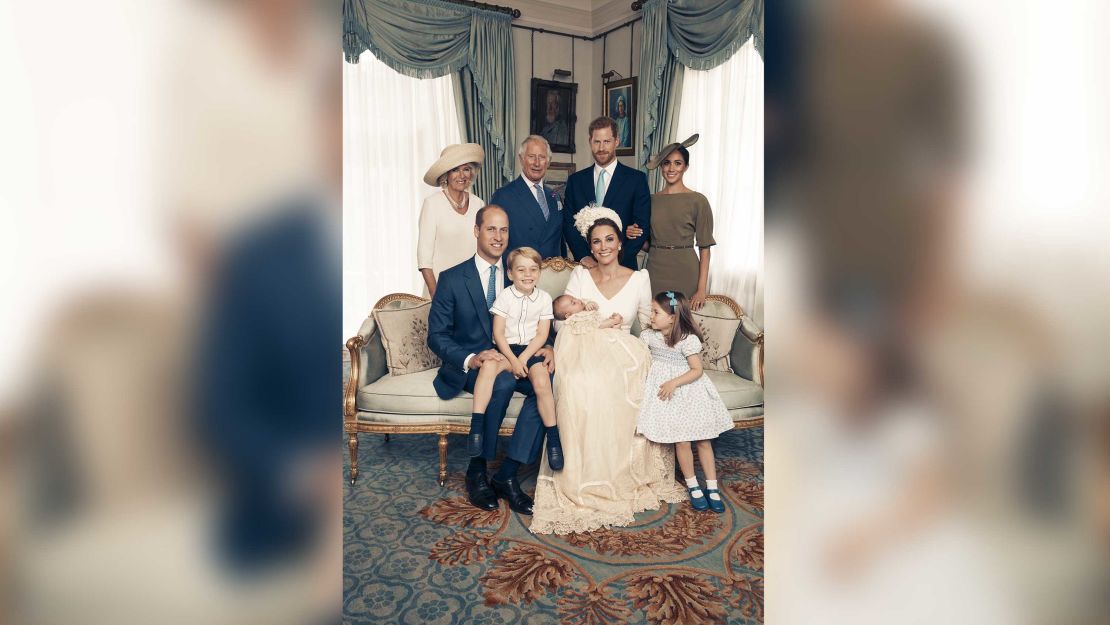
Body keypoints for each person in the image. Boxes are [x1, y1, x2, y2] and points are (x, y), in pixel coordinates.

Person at [530, 210, 686, 535]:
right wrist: (583, 324)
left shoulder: (639, 278)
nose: (603, 247)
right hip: (581, 347)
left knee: (610, 383)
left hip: (623, 353)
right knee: (578, 384)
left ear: (619, 243)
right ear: (590, 246)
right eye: (596, 241)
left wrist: (667, 352)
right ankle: (580, 475)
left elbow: (646, 322)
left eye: (609, 240)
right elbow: (560, 319)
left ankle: (615, 474)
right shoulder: (581, 276)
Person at [427, 205, 552, 515]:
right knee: (502, 381)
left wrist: (549, 346)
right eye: (491, 229)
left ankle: (508, 474)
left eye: (504, 230)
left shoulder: (520, 274)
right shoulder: (453, 278)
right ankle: (477, 470)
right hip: (473, 367)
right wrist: (471, 357)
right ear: (476, 231)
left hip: (515, 357)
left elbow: (536, 321)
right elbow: (437, 335)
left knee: (548, 385)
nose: (499, 237)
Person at [636, 291, 734, 513]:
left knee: (703, 441)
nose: (651, 315)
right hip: (667, 397)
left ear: (672, 317)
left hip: (689, 392)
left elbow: (697, 370)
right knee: (682, 441)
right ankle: (693, 486)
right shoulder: (648, 337)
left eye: (655, 312)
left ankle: (711, 487)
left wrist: (673, 383)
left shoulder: (687, 340)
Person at [471, 246, 563, 471]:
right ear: (510, 274)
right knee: (489, 366)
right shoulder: (505, 296)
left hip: (531, 350)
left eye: (533, 269)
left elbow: (542, 334)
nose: (528, 275)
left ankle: (553, 438)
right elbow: (498, 334)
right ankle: (476, 426)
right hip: (506, 349)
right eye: (521, 270)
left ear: (539, 272)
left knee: (542, 381)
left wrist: (522, 359)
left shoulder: (543, 298)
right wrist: (512, 360)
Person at [562, 116, 651, 270]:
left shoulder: (636, 179)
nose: (601, 148)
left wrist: (616, 261)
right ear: (590, 142)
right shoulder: (575, 181)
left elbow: (641, 228)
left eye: (607, 141)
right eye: (597, 142)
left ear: (617, 141)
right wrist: (584, 257)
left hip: (623, 268)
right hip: (586, 268)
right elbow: (569, 225)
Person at [644, 134, 716, 310]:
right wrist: (633, 235)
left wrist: (701, 290)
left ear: (686, 167)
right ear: (661, 166)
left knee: (683, 326)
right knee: (655, 323)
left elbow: (705, 249)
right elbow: (646, 244)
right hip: (655, 269)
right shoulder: (649, 201)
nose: (671, 168)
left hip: (686, 270)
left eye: (678, 163)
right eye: (667, 162)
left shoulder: (698, 201)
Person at [417, 143, 486, 297]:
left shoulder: (479, 204)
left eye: (466, 169)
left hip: (471, 291)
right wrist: (437, 296)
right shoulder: (432, 204)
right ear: (445, 175)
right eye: (455, 170)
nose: (461, 175)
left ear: (472, 173)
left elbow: (483, 252)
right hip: (440, 291)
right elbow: (424, 259)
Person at [490, 135, 565, 260]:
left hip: (554, 275)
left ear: (548, 161)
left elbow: (560, 242)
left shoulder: (554, 196)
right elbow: (494, 243)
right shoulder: (503, 196)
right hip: (520, 274)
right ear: (521, 159)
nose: (536, 163)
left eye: (542, 157)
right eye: (531, 157)